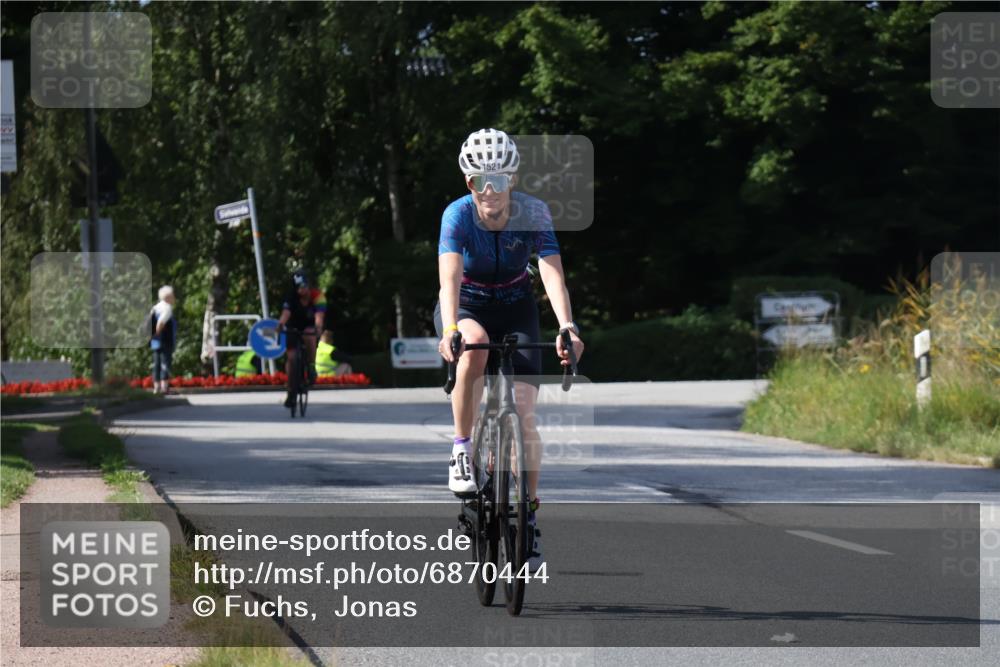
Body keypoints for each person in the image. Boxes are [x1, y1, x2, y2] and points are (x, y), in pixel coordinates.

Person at [435, 128, 584, 570]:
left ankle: (530, 518)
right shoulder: (457, 215)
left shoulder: (533, 212)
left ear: (512, 180)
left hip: (517, 306)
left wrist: (567, 326)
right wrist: (449, 328)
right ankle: (462, 450)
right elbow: (449, 278)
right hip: (468, 305)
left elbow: (551, 270)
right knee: (475, 344)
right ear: (469, 183)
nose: (491, 191)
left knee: (525, 410)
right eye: (481, 180)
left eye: (499, 180)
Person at [277, 269, 326, 407]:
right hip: (294, 326)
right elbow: (286, 313)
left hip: (309, 325)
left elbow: (319, 316)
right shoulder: (291, 297)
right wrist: (281, 324)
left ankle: (311, 366)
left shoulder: (318, 296)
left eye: (304, 286)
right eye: (298, 288)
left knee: (309, 336)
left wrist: (318, 328)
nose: (301, 290)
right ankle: (291, 390)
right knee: (292, 358)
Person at [150, 285, 178, 394]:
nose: (174, 298)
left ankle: (156, 388)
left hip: (155, 341)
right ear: (168, 297)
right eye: (172, 296)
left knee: (156, 363)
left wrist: (154, 335)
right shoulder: (167, 307)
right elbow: (160, 323)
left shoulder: (155, 307)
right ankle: (164, 387)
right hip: (165, 340)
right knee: (165, 362)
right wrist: (158, 332)